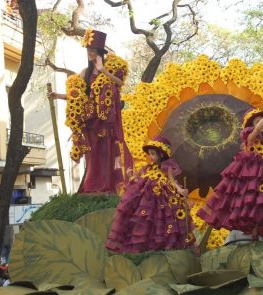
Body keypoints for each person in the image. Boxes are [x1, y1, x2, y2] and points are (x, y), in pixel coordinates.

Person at [48, 29, 133, 195]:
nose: (89, 53)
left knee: (107, 151)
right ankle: (93, 185)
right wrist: (57, 95)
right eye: (88, 51)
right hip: (90, 120)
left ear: (100, 52)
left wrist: (102, 70)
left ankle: (108, 185)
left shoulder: (112, 68)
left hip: (106, 119)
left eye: (92, 51)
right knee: (93, 154)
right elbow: (77, 95)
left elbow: (119, 83)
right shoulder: (85, 73)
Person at [197, 104, 263, 239]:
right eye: (257, 121)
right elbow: (256, 130)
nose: (261, 125)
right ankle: (249, 230)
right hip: (250, 173)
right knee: (249, 199)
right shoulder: (250, 136)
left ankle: (256, 231)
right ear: (251, 124)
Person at [106, 136, 195, 253]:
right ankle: (144, 246)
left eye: (153, 154)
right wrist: (129, 176)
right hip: (146, 200)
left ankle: (164, 245)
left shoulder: (166, 167)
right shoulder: (147, 168)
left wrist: (180, 190)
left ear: (161, 155)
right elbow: (137, 180)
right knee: (144, 220)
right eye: (150, 154)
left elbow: (172, 180)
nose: (151, 157)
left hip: (163, 198)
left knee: (162, 220)